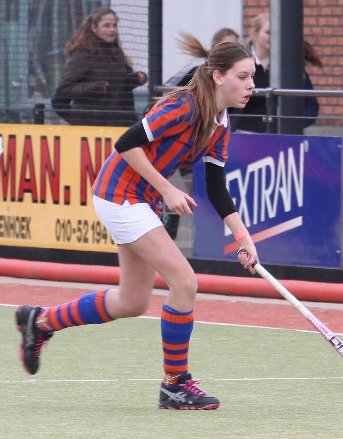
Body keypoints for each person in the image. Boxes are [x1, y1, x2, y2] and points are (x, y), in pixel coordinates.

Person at [14, 41, 260, 409]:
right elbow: (126, 143)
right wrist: (167, 188)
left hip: (141, 200)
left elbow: (215, 187)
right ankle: (175, 384)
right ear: (218, 77)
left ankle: (40, 322)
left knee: (131, 302)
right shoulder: (184, 107)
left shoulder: (220, 123)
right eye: (243, 77)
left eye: (252, 77)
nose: (251, 85)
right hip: (119, 195)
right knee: (185, 282)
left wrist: (243, 237)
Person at [50, 7, 148, 126]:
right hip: (92, 126)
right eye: (106, 26)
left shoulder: (116, 52)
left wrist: (136, 79)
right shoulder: (83, 54)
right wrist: (95, 87)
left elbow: (119, 85)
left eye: (114, 25)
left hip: (119, 123)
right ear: (94, 28)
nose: (112, 29)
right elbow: (64, 90)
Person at [232, 12, 323, 133]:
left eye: (276, 33)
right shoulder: (238, 62)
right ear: (254, 34)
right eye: (268, 32)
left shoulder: (289, 65)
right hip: (243, 135)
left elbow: (311, 104)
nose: (273, 37)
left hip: (281, 137)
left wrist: (293, 124)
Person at [162, 27, 240, 90]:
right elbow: (167, 88)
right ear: (216, 46)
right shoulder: (198, 67)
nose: (232, 50)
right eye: (228, 45)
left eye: (235, 46)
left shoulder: (235, 71)